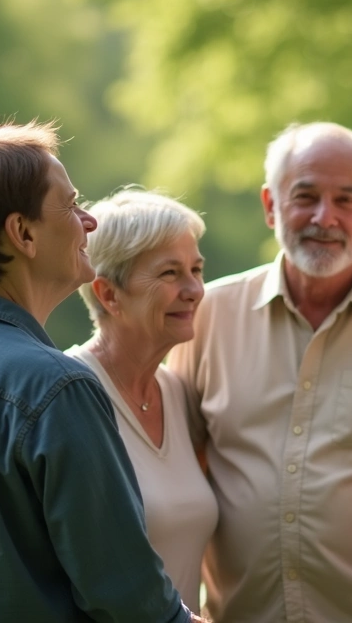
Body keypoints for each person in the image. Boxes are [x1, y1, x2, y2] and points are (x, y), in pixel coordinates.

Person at [0, 124, 200, 622]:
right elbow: (128, 596)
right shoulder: (57, 387)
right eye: (69, 205)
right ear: (22, 234)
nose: (88, 221)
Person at [169, 121, 352, 623]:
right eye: (304, 196)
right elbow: (177, 474)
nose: (324, 217)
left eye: (346, 200)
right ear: (270, 206)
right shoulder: (205, 317)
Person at [65, 188, 217, 608]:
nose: (193, 289)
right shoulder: (67, 394)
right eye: (169, 273)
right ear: (108, 294)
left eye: (196, 269)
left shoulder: (178, 392)